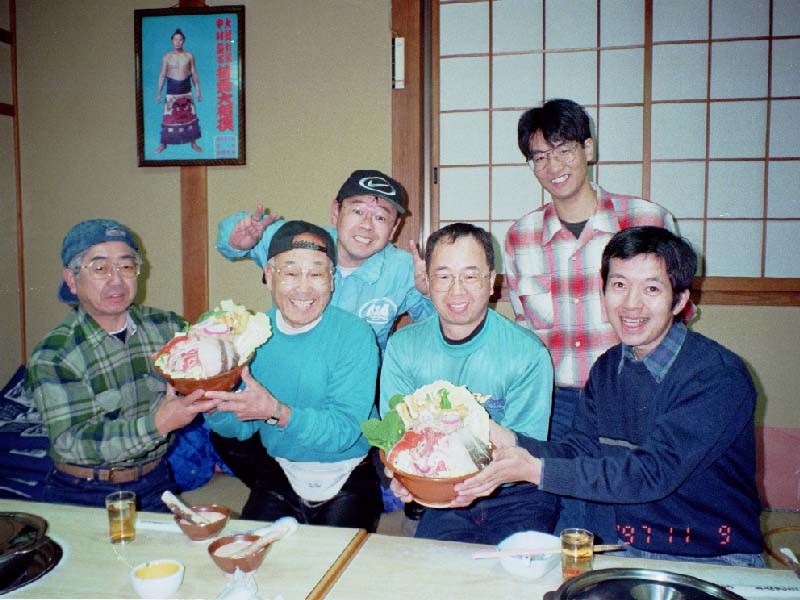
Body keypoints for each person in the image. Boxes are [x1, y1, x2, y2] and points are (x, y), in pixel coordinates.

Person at [457, 226, 765, 566]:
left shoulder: (717, 376)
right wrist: (509, 440)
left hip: (710, 556)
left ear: (680, 300)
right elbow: (579, 451)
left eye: (651, 288)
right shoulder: (608, 367)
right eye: (619, 285)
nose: (631, 304)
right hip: (626, 549)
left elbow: (651, 474)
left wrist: (535, 470)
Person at [505, 98, 679, 538]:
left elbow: (673, 316)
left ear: (588, 148)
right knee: (562, 521)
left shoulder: (646, 219)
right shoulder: (521, 236)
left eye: (564, 150)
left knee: (630, 516)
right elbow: (526, 333)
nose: (553, 166)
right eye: (540, 157)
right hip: (558, 401)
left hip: (632, 393)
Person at [212, 170, 434, 503]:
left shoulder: (402, 269)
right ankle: (283, 485)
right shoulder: (303, 242)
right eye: (357, 211)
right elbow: (235, 236)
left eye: (380, 217)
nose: (366, 225)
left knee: (375, 449)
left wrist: (430, 293)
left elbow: (431, 328)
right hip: (291, 374)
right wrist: (234, 240)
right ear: (335, 211)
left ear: (394, 228)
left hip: (355, 386)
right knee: (227, 424)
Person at [381, 223, 558, 545]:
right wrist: (406, 475)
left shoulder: (527, 353)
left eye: (470, 276)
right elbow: (395, 432)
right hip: (444, 491)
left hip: (517, 494)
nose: (456, 290)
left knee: (514, 572)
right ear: (427, 282)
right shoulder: (403, 347)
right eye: (443, 276)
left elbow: (524, 449)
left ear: (491, 282)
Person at [25, 219, 219, 511]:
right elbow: (72, 442)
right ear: (71, 280)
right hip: (83, 491)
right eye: (100, 268)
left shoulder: (166, 327)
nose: (116, 280)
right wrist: (159, 424)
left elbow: (209, 365)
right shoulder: (55, 354)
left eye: (126, 266)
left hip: (155, 480)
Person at [204, 221, 383, 531]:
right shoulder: (252, 334)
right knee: (249, 550)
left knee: (339, 558)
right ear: (269, 276)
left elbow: (344, 431)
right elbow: (239, 429)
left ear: (332, 280)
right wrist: (212, 401)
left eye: (316, 274)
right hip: (281, 471)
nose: (303, 288)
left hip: (350, 471)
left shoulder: (355, 335)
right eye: (290, 273)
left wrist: (277, 412)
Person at [154, 28, 202, 154]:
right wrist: (158, 93)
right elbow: (162, 75)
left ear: (183, 41)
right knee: (169, 116)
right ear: (172, 40)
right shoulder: (167, 57)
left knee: (190, 115)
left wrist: (198, 90)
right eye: (175, 39)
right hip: (172, 89)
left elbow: (194, 73)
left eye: (180, 40)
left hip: (186, 88)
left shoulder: (189, 56)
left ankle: (193, 143)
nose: (178, 42)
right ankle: (164, 144)